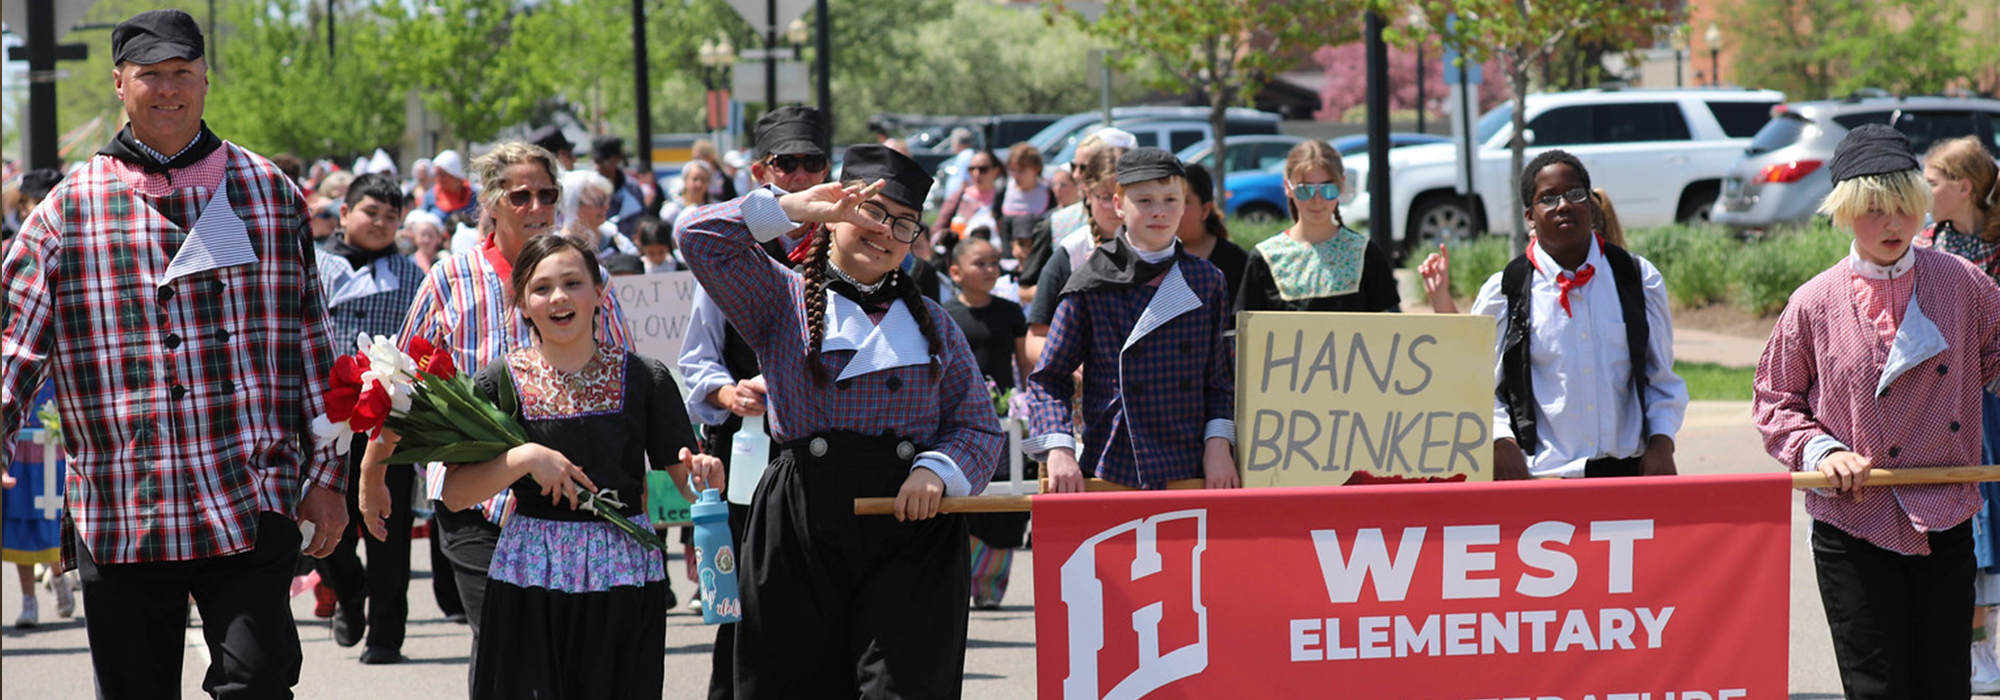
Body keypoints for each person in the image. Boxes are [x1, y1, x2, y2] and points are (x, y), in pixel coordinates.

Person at [0, 10, 348, 697]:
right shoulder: (66, 211)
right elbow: (13, 352)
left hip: (249, 492)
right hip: (126, 507)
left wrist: (330, 476)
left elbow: (313, 344)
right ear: (119, 84)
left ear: (206, 80)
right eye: (150, 76)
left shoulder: (270, 195)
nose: (168, 90)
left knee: (260, 677)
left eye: (182, 73)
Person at [680, 143, 1005, 699]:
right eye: (873, 213)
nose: (885, 233)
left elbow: (978, 426)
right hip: (803, 521)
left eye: (904, 226)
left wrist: (935, 472)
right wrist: (793, 207)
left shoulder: (936, 325)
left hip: (914, 527)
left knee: (904, 687)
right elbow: (699, 240)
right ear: (838, 214)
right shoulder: (778, 297)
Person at [355, 141, 635, 692]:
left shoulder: (586, 276)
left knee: (556, 658)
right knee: (512, 642)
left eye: (548, 194)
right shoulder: (450, 279)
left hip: (568, 501)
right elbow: (403, 383)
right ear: (491, 202)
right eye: (521, 195)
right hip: (476, 499)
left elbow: (623, 379)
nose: (537, 207)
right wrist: (371, 471)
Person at [1754, 124, 2000, 700]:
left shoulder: (1964, 284)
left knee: (1944, 686)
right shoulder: (1815, 300)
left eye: (1903, 208)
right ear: (1843, 213)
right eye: (1873, 210)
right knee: (1878, 690)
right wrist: (1824, 450)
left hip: (1948, 507)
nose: (1891, 224)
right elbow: (1774, 401)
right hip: (1854, 522)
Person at [437, 234, 703, 700]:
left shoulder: (647, 378)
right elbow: (457, 493)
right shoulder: (496, 382)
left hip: (623, 572)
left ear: (600, 292)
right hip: (529, 572)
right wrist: (524, 457)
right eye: (541, 288)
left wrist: (707, 476)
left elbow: (687, 484)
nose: (558, 297)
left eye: (573, 283)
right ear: (521, 303)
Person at [675, 104, 830, 700]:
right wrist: (725, 391)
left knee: (816, 593)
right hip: (748, 450)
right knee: (742, 596)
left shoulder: (851, 246)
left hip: (825, 449)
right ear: (763, 172)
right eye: (785, 164)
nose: (799, 176)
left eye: (811, 163)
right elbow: (697, 356)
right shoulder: (728, 252)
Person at [1025, 148, 1237, 493]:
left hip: (1191, 465)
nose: (1159, 211)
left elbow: (1220, 382)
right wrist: (1059, 447)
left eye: (1171, 199)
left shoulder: (1208, 281)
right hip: (1113, 464)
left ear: (1185, 205)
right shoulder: (1089, 280)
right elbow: (1048, 378)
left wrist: (1218, 444)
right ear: (1119, 204)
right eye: (1145, 200)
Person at [1470, 150, 1686, 480]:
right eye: (1548, 198)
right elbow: (1479, 387)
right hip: (1540, 476)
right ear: (1530, 216)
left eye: (1574, 194)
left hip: (1626, 473)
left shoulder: (1637, 279)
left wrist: (1661, 442)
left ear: (1590, 203)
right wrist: (1502, 442)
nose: (1564, 205)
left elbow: (1661, 379)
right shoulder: (1505, 292)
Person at [312, 172, 422, 664]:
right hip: (323, 417)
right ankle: (348, 589)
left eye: (389, 216)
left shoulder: (413, 276)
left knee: (388, 528)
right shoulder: (314, 265)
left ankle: (385, 635)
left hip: (390, 418)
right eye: (369, 212)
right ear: (345, 213)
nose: (379, 223)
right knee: (320, 521)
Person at [1911, 135, 2000, 692]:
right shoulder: (1923, 244)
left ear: (1964, 188)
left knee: (1994, 511)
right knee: (1967, 519)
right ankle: (1977, 650)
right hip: (1944, 400)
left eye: (1934, 179)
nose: (1925, 189)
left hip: (1993, 399)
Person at [943, 237, 1031, 610]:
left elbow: (1025, 365)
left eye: (995, 262)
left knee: (1003, 498)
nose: (990, 270)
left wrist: (1030, 404)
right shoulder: (942, 313)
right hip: (958, 419)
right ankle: (959, 580)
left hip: (1005, 418)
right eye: (980, 263)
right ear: (956, 272)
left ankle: (991, 587)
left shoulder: (1011, 312)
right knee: (964, 498)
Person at [1237, 141, 1397, 315]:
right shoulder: (1265, 258)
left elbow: (1385, 329)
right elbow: (1248, 332)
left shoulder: (1365, 253)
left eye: (1328, 189)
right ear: (1288, 188)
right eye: (1305, 190)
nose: (1317, 200)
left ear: (1341, 185)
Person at [1025, 144, 1127, 365]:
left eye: (1125, 195)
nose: (1116, 207)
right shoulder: (1072, 252)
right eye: (1107, 197)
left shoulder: (1157, 248)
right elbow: (1035, 338)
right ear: (1088, 194)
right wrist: (1071, 365)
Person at [4, 382, 73, 628]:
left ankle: (58, 578)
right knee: (20, 524)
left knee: (51, 521)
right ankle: (28, 601)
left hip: (51, 452)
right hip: (17, 454)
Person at [1177, 164, 1249, 306]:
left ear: (1205, 209)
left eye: (1183, 201)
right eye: (1168, 200)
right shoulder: (1149, 259)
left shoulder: (1237, 262)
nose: (1170, 210)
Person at [932, 149, 1003, 251]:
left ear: (996, 171)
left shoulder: (1004, 198)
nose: (976, 174)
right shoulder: (958, 197)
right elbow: (938, 229)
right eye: (972, 169)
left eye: (983, 169)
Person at [559, 169, 640, 257]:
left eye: (607, 200)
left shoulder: (613, 236)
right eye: (599, 202)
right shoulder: (560, 246)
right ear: (574, 205)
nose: (606, 206)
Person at [591, 136, 649, 235]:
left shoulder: (633, 188)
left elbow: (642, 222)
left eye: (604, 159)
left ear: (618, 158)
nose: (598, 166)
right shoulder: (588, 188)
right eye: (596, 161)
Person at [426, 149, 480, 230]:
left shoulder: (474, 195)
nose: (438, 179)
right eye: (436, 174)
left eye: (442, 175)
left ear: (454, 175)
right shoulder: (430, 196)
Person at [999, 143, 1053, 225]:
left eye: (1021, 171)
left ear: (1036, 169)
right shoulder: (1003, 192)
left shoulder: (1049, 193)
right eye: (1013, 170)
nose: (1016, 175)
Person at [660, 159, 716, 231]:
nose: (699, 184)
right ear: (685, 180)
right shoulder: (672, 210)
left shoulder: (714, 209)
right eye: (695, 179)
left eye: (703, 180)